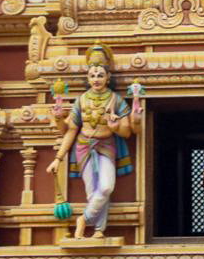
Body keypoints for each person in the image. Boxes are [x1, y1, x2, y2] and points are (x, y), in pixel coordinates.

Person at [47, 44, 142, 239]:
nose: (96, 79)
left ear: (108, 77)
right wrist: (58, 157)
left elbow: (127, 132)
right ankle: (99, 230)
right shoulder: (81, 100)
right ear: (88, 78)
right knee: (93, 192)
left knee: (106, 187)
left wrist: (115, 127)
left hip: (106, 146)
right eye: (92, 75)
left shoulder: (116, 100)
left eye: (100, 75)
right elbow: (70, 130)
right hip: (84, 146)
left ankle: (83, 220)